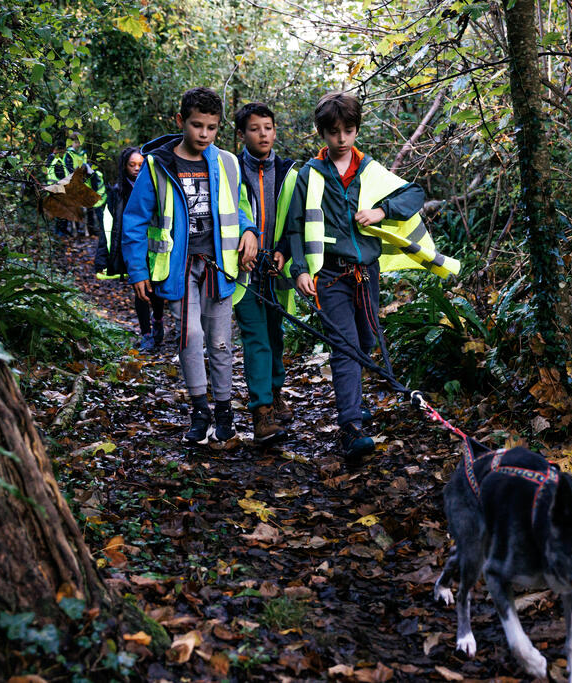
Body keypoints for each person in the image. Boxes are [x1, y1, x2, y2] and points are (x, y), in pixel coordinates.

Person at [281, 92, 459, 460]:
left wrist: (381, 211)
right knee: (344, 346)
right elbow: (295, 226)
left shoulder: (370, 170)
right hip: (329, 275)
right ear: (322, 133)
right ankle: (350, 426)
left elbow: (414, 194)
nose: (341, 138)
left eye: (348, 130)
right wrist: (299, 269)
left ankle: (354, 403)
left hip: (366, 275)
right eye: (333, 132)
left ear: (357, 129)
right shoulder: (310, 175)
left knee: (365, 340)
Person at [122, 87, 258, 446]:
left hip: (220, 265)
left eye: (212, 128)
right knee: (190, 337)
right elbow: (134, 221)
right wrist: (138, 271)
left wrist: (249, 232)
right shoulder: (157, 165)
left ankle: (225, 410)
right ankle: (200, 409)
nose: (204, 134)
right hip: (178, 267)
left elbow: (241, 206)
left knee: (220, 340)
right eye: (197, 125)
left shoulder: (227, 162)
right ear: (181, 121)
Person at [233, 103, 299, 445]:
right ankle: (260, 412)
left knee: (275, 333)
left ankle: (274, 394)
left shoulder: (289, 173)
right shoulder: (231, 171)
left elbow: (295, 221)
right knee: (255, 336)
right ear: (242, 134)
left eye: (269, 127)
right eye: (255, 128)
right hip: (242, 269)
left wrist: (282, 252)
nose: (263, 134)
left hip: (277, 268)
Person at [94, 146, 166, 352]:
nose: (136, 169)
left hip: (153, 246)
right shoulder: (117, 193)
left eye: (140, 165)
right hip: (131, 247)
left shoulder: (156, 187)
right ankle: (146, 334)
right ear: (124, 167)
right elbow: (108, 227)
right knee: (140, 290)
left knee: (156, 289)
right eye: (131, 165)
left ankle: (158, 320)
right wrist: (102, 258)